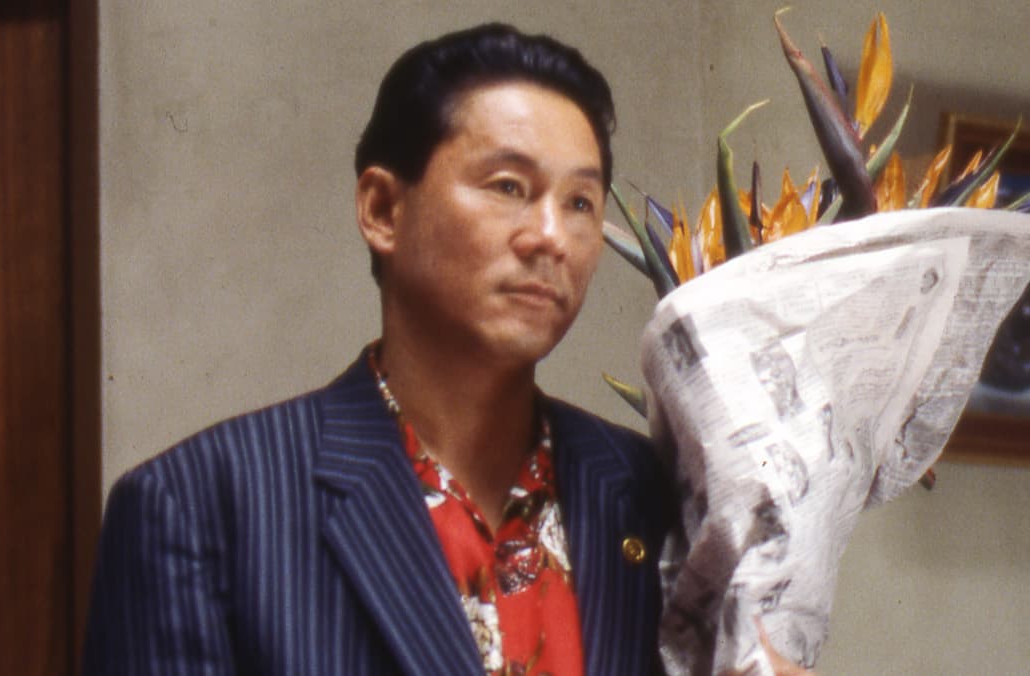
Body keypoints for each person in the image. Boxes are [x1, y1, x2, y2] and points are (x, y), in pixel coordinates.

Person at [82, 24, 673, 675]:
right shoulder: (203, 506)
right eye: (509, 187)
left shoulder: (646, 490)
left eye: (580, 202)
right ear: (383, 209)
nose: (551, 237)